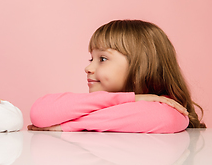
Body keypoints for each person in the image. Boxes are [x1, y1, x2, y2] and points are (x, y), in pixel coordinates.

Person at [29, 20, 205, 133]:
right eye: (92, 58)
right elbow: (39, 113)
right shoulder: (101, 104)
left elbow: (165, 118)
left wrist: (68, 126)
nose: (88, 67)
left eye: (102, 59)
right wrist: (134, 98)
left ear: (141, 67)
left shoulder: (165, 106)